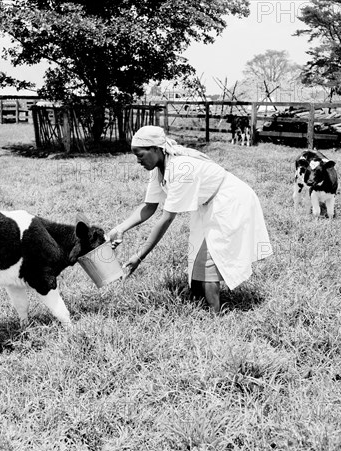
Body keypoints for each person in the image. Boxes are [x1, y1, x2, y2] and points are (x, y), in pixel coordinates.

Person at [108, 125, 272, 312]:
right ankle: (199, 304)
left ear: (155, 149)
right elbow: (149, 207)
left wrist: (139, 256)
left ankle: (215, 318)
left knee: (209, 258)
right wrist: (120, 228)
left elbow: (167, 218)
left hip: (230, 201)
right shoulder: (159, 168)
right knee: (196, 260)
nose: (138, 161)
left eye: (140, 155)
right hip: (208, 204)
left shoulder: (180, 169)